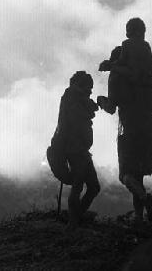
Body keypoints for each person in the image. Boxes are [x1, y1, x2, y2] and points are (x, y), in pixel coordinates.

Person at [98, 18, 152, 224]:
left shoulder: (117, 79)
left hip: (131, 130)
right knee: (140, 176)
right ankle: (139, 217)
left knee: (128, 175)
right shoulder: (148, 80)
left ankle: (145, 201)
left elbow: (111, 108)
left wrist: (101, 101)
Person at [52, 71, 100, 228]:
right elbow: (77, 119)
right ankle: (73, 222)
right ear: (82, 85)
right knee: (79, 185)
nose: (91, 91)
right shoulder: (73, 98)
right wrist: (92, 107)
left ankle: (77, 217)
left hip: (80, 149)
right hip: (75, 149)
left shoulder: (75, 98)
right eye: (89, 87)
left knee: (93, 187)